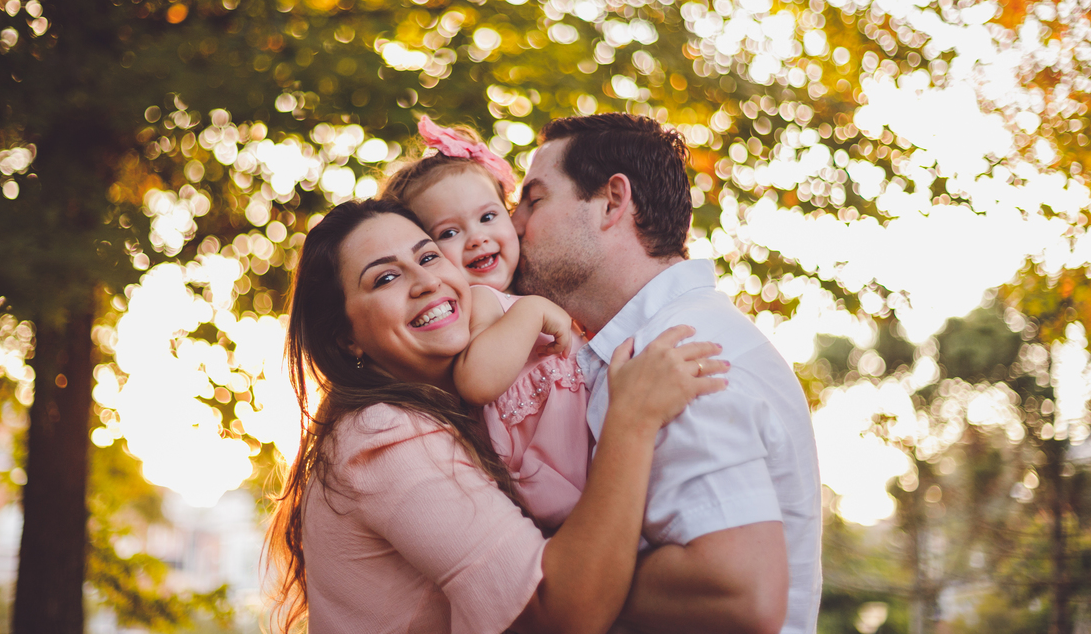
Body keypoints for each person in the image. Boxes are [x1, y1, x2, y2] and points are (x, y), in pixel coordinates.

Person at [264, 198, 730, 634]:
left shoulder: (459, 409)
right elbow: (560, 610)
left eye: (428, 257)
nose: (426, 282)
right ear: (347, 338)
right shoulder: (381, 435)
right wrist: (630, 422)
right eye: (385, 278)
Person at [512, 113, 822, 634]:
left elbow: (739, 591)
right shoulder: (660, 341)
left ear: (612, 201)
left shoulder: (678, 350)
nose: (512, 224)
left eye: (533, 200)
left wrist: (551, 577)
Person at [382, 116, 592, 530]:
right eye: (449, 233)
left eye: (488, 217)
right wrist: (532, 312)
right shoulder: (482, 301)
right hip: (552, 494)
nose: (476, 238)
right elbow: (476, 381)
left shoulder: (531, 296)